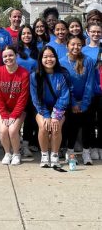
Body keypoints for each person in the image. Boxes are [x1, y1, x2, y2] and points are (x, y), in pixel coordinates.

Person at [30, 46, 70, 168]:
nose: (49, 59)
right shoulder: (34, 76)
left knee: (56, 126)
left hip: (58, 109)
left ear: (56, 58)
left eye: (52, 56)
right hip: (42, 109)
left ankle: (54, 154)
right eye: (45, 56)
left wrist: (55, 116)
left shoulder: (62, 74)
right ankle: (44, 155)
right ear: (40, 59)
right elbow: (35, 98)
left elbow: (64, 96)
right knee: (43, 127)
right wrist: (46, 115)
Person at [60, 35, 95, 165]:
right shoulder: (62, 62)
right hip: (70, 101)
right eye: (73, 44)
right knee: (71, 127)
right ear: (67, 45)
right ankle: (70, 152)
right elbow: (66, 85)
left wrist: (85, 103)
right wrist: (74, 103)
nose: (76, 47)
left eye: (79, 44)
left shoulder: (88, 61)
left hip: (86, 100)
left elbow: (89, 83)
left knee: (87, 126)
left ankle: (86, 152)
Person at [0, 46, 29, 165]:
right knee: (3, 131)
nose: (8, 58)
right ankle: (7, 153)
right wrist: (4, 114)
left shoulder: (24, 73)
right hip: (4, 109)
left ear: (16, 56)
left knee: (13, 130)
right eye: (5, 56)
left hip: (18, 110)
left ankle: (16, 154)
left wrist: (13, 115)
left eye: (11, 55)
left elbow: (23, 98)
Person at [16, 25, 39, 157]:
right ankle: (16, 144)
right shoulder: (16, 50)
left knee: (30, 118)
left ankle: (26, 145)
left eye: (29, 33)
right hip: (18, 89)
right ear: (20, 36)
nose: (26, 36)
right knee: (18, 117)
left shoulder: (37, 51)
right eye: (23, 33)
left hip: (32, 89)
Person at [82, 23, 102, 160]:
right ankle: (90, 147)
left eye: (98, 32)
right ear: (87, 32)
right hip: (89, 92)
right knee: (88, 122)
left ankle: (99, 146)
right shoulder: (83, 51)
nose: (96, 34)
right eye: (93, 32)